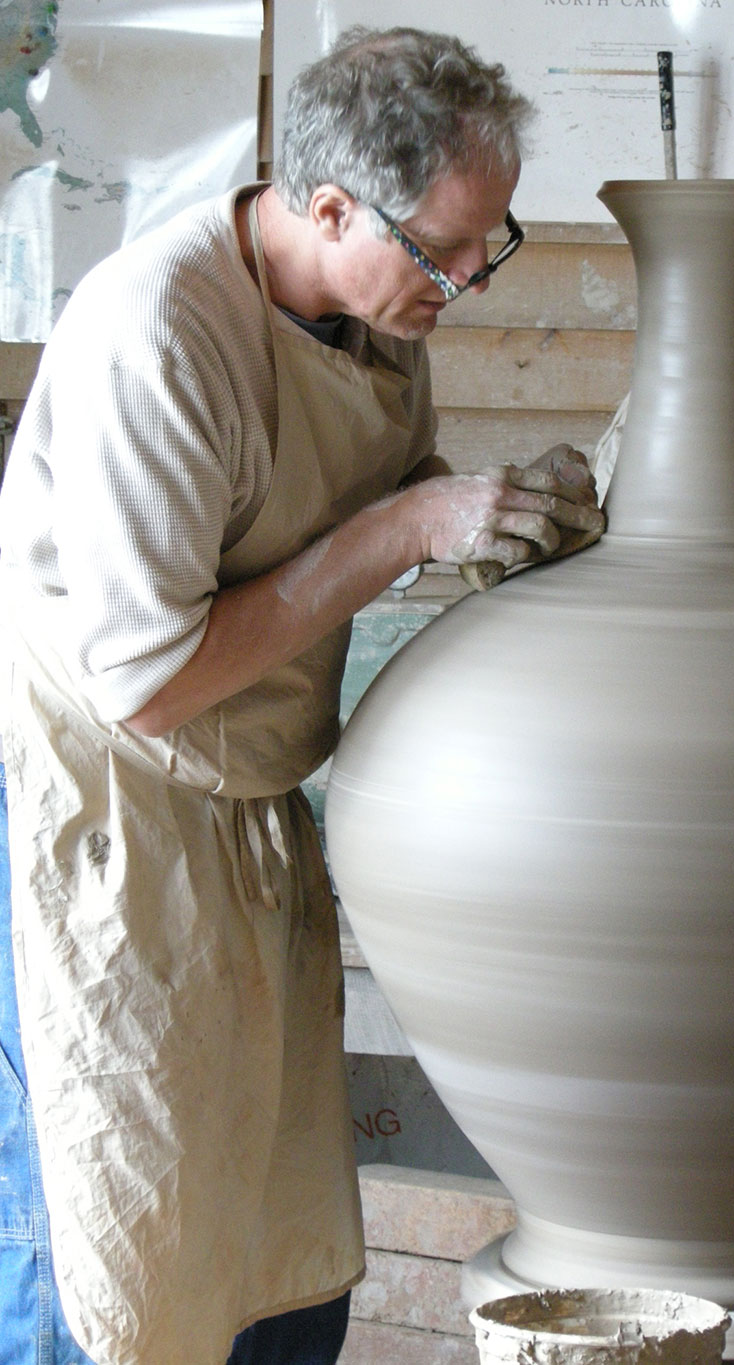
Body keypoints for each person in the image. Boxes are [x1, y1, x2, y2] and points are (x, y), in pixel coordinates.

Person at [0, 25, 604, 1365]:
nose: (468, 283)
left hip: (254, 816)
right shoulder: (156, 339)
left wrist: (493, 516)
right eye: (447, 253)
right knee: (121, 1257)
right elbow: (148, 682)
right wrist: (412, 530)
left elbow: (365, 489)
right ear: (329, 207)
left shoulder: (376, 314)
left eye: (488, 246)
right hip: (111, 824)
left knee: (279, 1265)